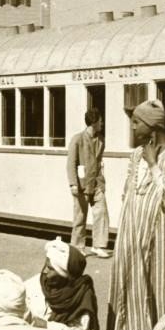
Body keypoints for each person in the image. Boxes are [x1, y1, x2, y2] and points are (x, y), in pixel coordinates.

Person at [107, 99, 165, 330]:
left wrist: (154, 164)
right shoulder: (135, 155)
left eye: (136, 122)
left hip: (163, 245)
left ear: (152, 127)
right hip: (132, 239)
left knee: (161, 293)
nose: (132, 128)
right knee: (131, 292)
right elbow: (128, 195)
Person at [25, 237, 99, 330]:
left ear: (64, 274)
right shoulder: (36, 283)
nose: (45, 271)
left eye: (51, 269)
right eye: (46, 265)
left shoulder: (82, 296)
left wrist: (47, 326)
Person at [67, 108, 110, 257]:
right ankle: (78, 247)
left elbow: (99, 163)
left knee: (101, 212)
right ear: (94, 122)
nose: (102, 123)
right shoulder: (77, 139)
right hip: (81, 184)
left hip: (96, 183)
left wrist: (102, 183)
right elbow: (71, 163)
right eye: (100, 121)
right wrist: (73, 183)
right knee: (80, 216)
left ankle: (98, 246)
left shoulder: (101, 140)